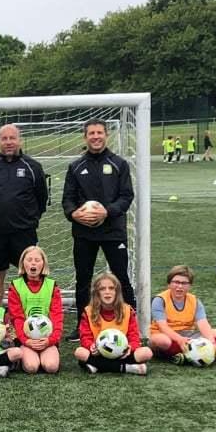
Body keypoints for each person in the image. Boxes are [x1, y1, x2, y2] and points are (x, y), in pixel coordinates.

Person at [62, 119, 136, 341]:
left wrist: (107, 211)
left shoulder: (119, 164)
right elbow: (68, 199)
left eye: (100, 133)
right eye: (91, 133)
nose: (96, 136)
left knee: (121, 277)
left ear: (106, 135)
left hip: (113, 231)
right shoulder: (75, 167)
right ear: (85, 137)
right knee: (83, 279)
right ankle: (82, 326)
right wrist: (74, 213)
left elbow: (126, 197)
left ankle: (131, 322)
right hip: (84, 232)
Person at [0, 124, 48, 304]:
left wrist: (28, 219)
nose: (8, 142)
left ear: (20, 140)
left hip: (23, 232)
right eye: (4, 138)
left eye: (12, 138)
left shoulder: (33, 167)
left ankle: (27, 318)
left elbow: (42, 199)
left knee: (29, 275)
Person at [74, 272, 151, 375]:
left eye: (111, 288)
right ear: (96, 293)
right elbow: (85, 338)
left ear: (117, 292)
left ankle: (97, 366)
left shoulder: (127, 310)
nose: (107, 292)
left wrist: (130, 348)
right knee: (80, 352)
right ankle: (126, 368)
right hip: (100, 353)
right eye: (102, 289)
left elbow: (134, 337)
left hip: (122, 353)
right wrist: (91, 347)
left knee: (146, 352)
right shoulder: (88, 312)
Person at [149, 265, 216, 364]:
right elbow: (163, 327)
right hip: (166, 335)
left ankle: (183, 355)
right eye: (176, 282)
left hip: (188, 334)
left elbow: (203, 324)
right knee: (161, 341)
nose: (180, 286)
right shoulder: (159, 300)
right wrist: (180, 340)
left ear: (190, 286)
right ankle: (192, 353)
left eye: (184, 283)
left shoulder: (195, 300)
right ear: (169, 284)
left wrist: (212, 342)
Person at [8, 246, 63, 374]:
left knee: (51, 367)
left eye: (37, 260)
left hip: (46, 338)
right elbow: (17, 317)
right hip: (26, 339)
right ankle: (22, 356)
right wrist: (26, 341)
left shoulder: (52, 285)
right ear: (23, 263)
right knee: (32, 367)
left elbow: (57, 315)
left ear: (43, 264)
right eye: (29, 260)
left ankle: (47, 353)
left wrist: (51, 340)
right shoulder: (15, 285)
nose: (33, 263)